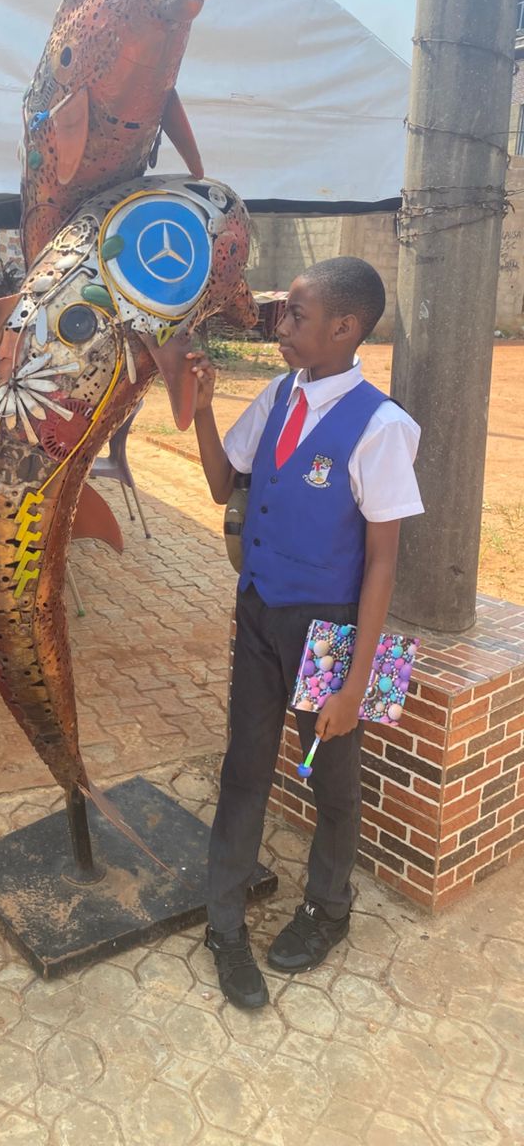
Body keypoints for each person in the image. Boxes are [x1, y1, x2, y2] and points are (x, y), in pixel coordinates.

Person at [187, 257, 423, 1011]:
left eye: (295, 315)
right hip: (260, 610)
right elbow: (224, 485)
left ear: (344, 327)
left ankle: (328, 907)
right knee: (244, 766)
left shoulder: (383, 426)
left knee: (331, 776)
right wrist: (200, 410)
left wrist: (356, 682)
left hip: (333, 633)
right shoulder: (278, 395)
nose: (279, 326)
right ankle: (224, 923)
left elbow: (383, 562)